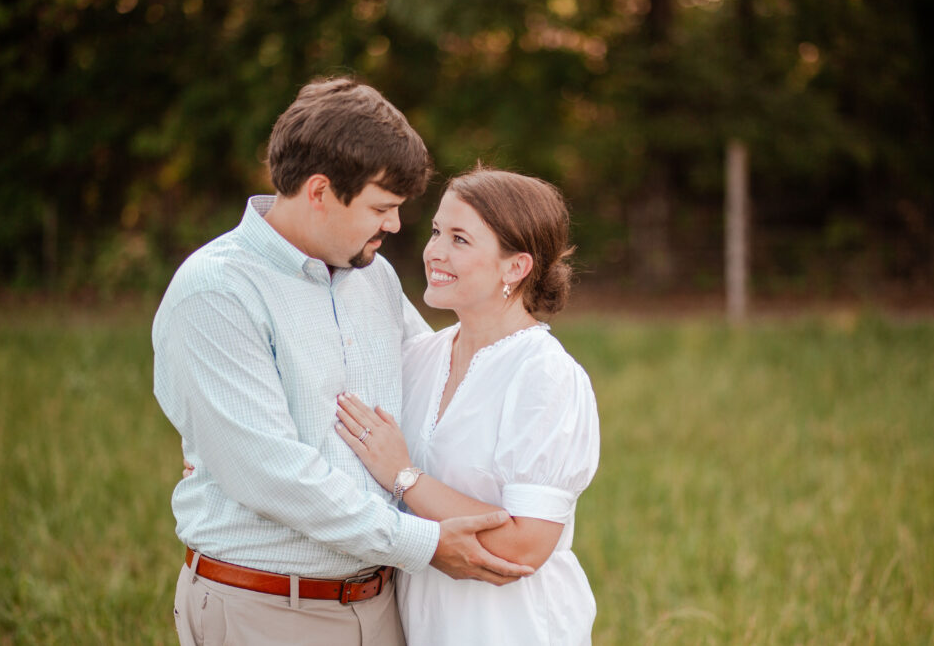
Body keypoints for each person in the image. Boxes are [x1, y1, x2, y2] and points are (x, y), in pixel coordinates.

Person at [152, 78, 533, 646]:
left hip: (381, 605)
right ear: (320, 192)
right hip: (270, 607)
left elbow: (438, 377)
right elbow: (273, 475)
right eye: (382, 207)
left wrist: (538, 372)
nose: (396, 226)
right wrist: (423, 543)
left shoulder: (371, 276)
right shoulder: (217, 293)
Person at [333, 166, 601, 645]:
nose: (434, 250)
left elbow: (524, 546)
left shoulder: (544, 375)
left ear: (515, 267)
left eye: (460, 239)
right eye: (437, 231)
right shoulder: (419, 357)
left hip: (516, 629)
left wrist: (406, 477)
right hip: (427, 626)